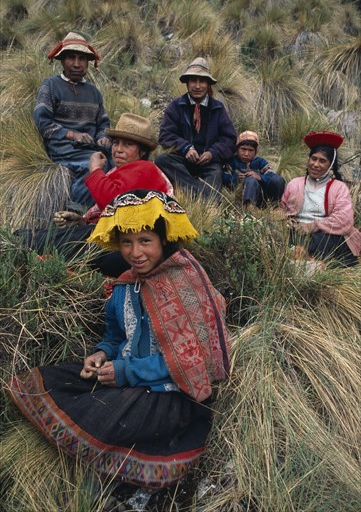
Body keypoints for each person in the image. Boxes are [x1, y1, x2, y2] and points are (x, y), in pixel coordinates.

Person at [7, 189, 230, 495]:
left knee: (106, 415)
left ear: (163, 240)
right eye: (126, 242)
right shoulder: (124, 285)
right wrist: (100, 354)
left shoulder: (186, 283)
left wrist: (126, 371)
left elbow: (192, 360)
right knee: (51, 379)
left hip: (169, 393)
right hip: (123, 378)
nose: (135, 252)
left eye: (145, 241)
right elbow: (114, 335)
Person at [16, 114, 173, 277]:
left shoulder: (145, 169)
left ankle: (17, 244)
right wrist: (81, 221)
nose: (118, 149)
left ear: (142, 152)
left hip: (126, 248)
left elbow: (113, 202)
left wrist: (95, 170)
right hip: (119, 243)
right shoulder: (124, 172)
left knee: (37, 241)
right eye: (116, 143)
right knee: (52, 237)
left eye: (128, 144)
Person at [34, 32, 111, 209]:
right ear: (62, 60)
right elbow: (42, 121)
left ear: (88, 62)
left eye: (82, 59)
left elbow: (103, 122)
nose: (77, 64)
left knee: (119, 163)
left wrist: (102, 136)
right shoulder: (51, 85)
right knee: (92, 166)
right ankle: (75, 212)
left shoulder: (94, 92)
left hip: (91, 146)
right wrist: (72, 134)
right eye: (71, 58)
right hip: (64, 149)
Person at [155, 57, 237, 199]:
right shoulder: (175, 107)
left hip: (209, 163)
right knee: (162, 160)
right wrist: (186, 148)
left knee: (216, 171)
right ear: (187, 83)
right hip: (182, 160)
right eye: (193, 80)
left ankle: (191, 193)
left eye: (202, 81)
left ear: (208, 84)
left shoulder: (218, 108)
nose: (197, 86)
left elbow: (229, 138)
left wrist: (212, 153)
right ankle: (202, 195)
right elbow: (165, 135)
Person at [279, 131, 361, 266]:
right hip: (298, 233)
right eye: (313, 158)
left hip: (324, 235)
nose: (316, 164)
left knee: (324, 240)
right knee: (272, 230)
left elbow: (344, 221)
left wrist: (312, 226)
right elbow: (282, 209)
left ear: (330, 165)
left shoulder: (339, 188)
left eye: (322, 161)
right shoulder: (295, 183)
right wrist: (287, 220)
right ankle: (308, 260)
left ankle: (303, 259)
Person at [223, 130, 285, 208]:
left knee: (278, 179)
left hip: (261, 196)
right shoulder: (232, 162)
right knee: (250, 180)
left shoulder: (260, 162)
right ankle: (249, 207)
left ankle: (275, 206)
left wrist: (259, 177)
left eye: (250, 150)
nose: (246, 154)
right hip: (239, 198)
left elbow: (271, 175)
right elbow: (224, 177)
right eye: (243, 149)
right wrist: (236, 179)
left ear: (256, 151)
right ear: (237, 149)